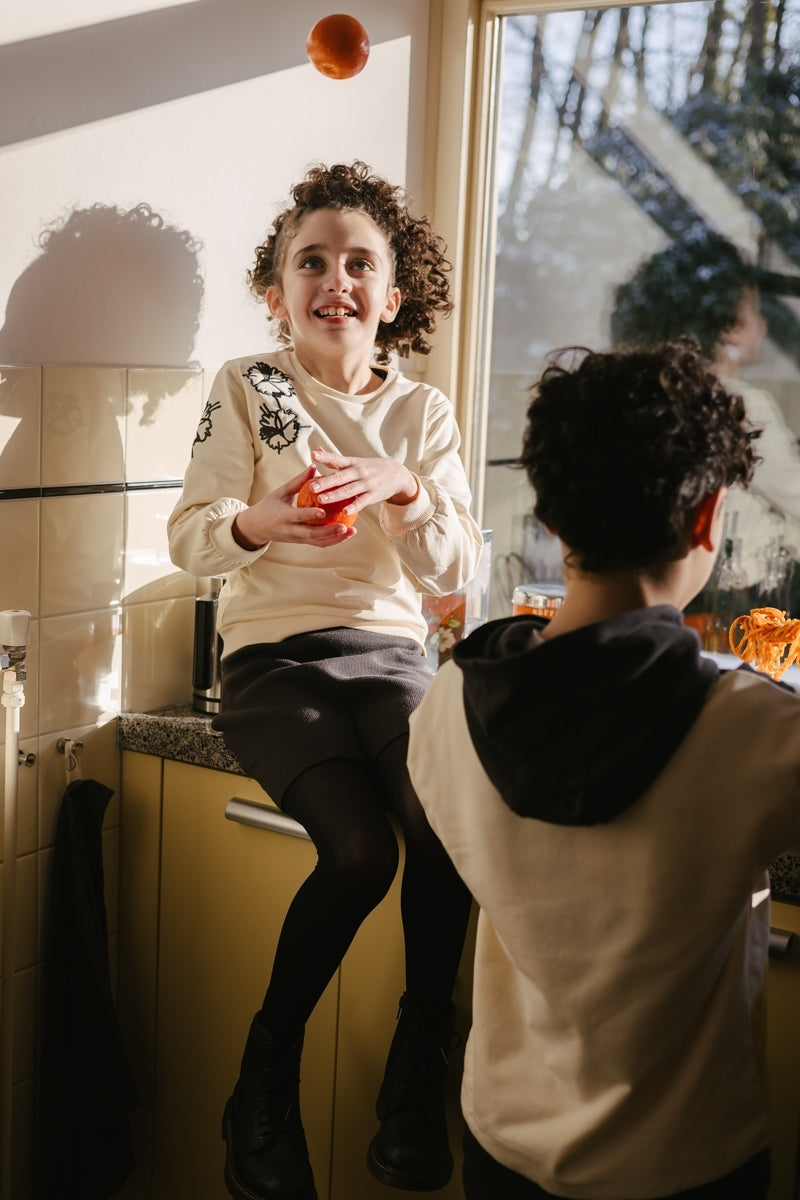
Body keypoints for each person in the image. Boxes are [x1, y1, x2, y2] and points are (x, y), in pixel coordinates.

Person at [406, 340, 800, 1199]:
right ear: (707, 518)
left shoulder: (447, 706)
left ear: (551, 517)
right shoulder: (752, 732)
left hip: (501, 1146)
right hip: (683, 1166)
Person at [168, 161, 483, 1200]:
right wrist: (256, 523)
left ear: (392, 297)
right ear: (277, 290)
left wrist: (404, 488)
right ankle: (264, 1075)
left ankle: (417, 1064)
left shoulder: (423, 413)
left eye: (358, 264)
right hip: (273, 661)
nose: (334, 280)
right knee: (358, 854)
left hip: (391, 660)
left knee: (441, 829)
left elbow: (455, 571)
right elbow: (190, 537)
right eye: (311, 262)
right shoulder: (248, 386)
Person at [611, 228, 800, 610]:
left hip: (675, 591)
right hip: (744, 598)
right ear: (728, 327)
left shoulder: (661, 394)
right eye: (755, 311)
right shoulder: (742, 404)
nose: (763, 325)